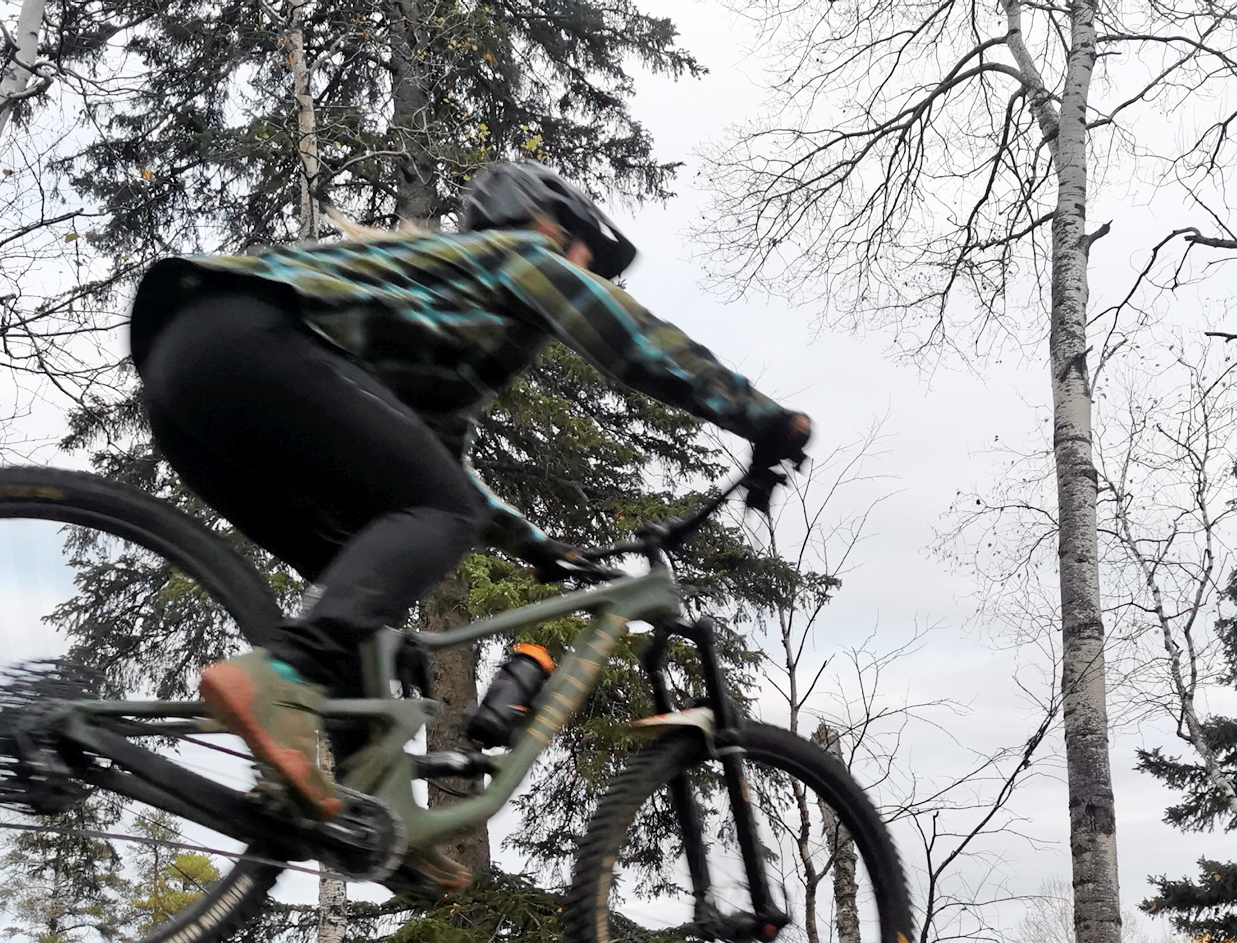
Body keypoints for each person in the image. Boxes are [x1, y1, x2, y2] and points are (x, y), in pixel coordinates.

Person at [128, 160, 811, 897]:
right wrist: (761, 417)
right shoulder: (521, 256)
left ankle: (363, 813)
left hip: (184, 371)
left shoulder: (440, 317)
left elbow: (442, 467)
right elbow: (632, 342)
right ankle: (280, 680)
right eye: (588, 257)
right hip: (251, 337)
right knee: (425, 525)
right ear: (553, 228)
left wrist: (539, 546)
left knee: (367, 588)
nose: (588, 274)